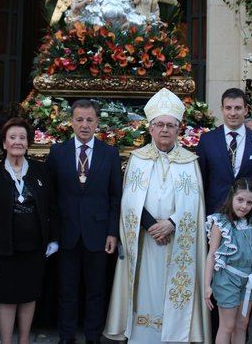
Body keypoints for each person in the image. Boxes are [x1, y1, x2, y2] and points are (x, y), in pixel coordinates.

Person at [104, 88, 210, 343]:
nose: (165, 129)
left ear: (178, 129)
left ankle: (175, 335)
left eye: (170, 125)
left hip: (176, 240)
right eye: (159, 124)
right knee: (146, 288)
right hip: (146, 241)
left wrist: (171, 224)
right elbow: (129, 201)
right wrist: (153, 226)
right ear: (150, 128)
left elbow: (194, 204)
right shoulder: (138, 159)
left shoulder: (189, 161)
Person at [45, 99, 122, 344]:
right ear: (71, 121)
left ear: (98, 122)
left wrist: (112, 232)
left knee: (96, 291)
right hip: (67, 233)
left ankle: (92, 337)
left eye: (90, 120)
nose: (85, 125)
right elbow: (51, 197)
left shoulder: (109, 153)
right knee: (67, 291)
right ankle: (66, 337)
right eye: (80, 119)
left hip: (98, 234)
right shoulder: (58, 152)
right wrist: (53, 234)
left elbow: (115, 197)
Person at [0, 117, 58, 344]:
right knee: (7, 298)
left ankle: (24, 340)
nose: (17, 142)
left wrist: (53, 238)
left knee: (28, 296)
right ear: (3, 143)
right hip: (4, 249)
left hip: (34, 248)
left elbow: (52, 208)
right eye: (12, 137)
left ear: (28, 143)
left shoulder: (40, 171)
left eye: (22, 138)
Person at [203, 178, 252, 344]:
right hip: (227, 279)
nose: (244, 206)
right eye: (240, 200)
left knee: (242, 325)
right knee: (227, 325)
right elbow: (212, 255)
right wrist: (206, 285)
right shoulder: (221, 222)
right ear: (231, 197)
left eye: (249, 202)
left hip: (247, 280)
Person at [197, 87, 252, 215]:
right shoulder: (207, 140)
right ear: (222, 109)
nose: (233, 113)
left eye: (238, 108)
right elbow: (201, 180)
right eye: (228, 108)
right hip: (216, 212)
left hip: (249, 213)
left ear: (246, 110)